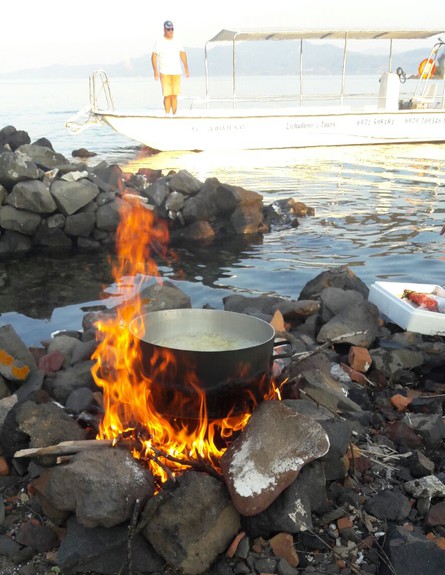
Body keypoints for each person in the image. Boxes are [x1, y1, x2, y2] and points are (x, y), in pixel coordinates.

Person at [151, 20, 190, 115]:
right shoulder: (159, 41)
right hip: (164, 72)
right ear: (164, 29)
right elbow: (153, 56)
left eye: (172, 29)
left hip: (176, 71)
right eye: (168, 29)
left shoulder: (177, 40)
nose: (170, 31)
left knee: (174, 95)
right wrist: (155, 70)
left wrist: (186, 68)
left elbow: (182, 53)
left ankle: (174, 114)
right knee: (167, 95)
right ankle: (167, 114)